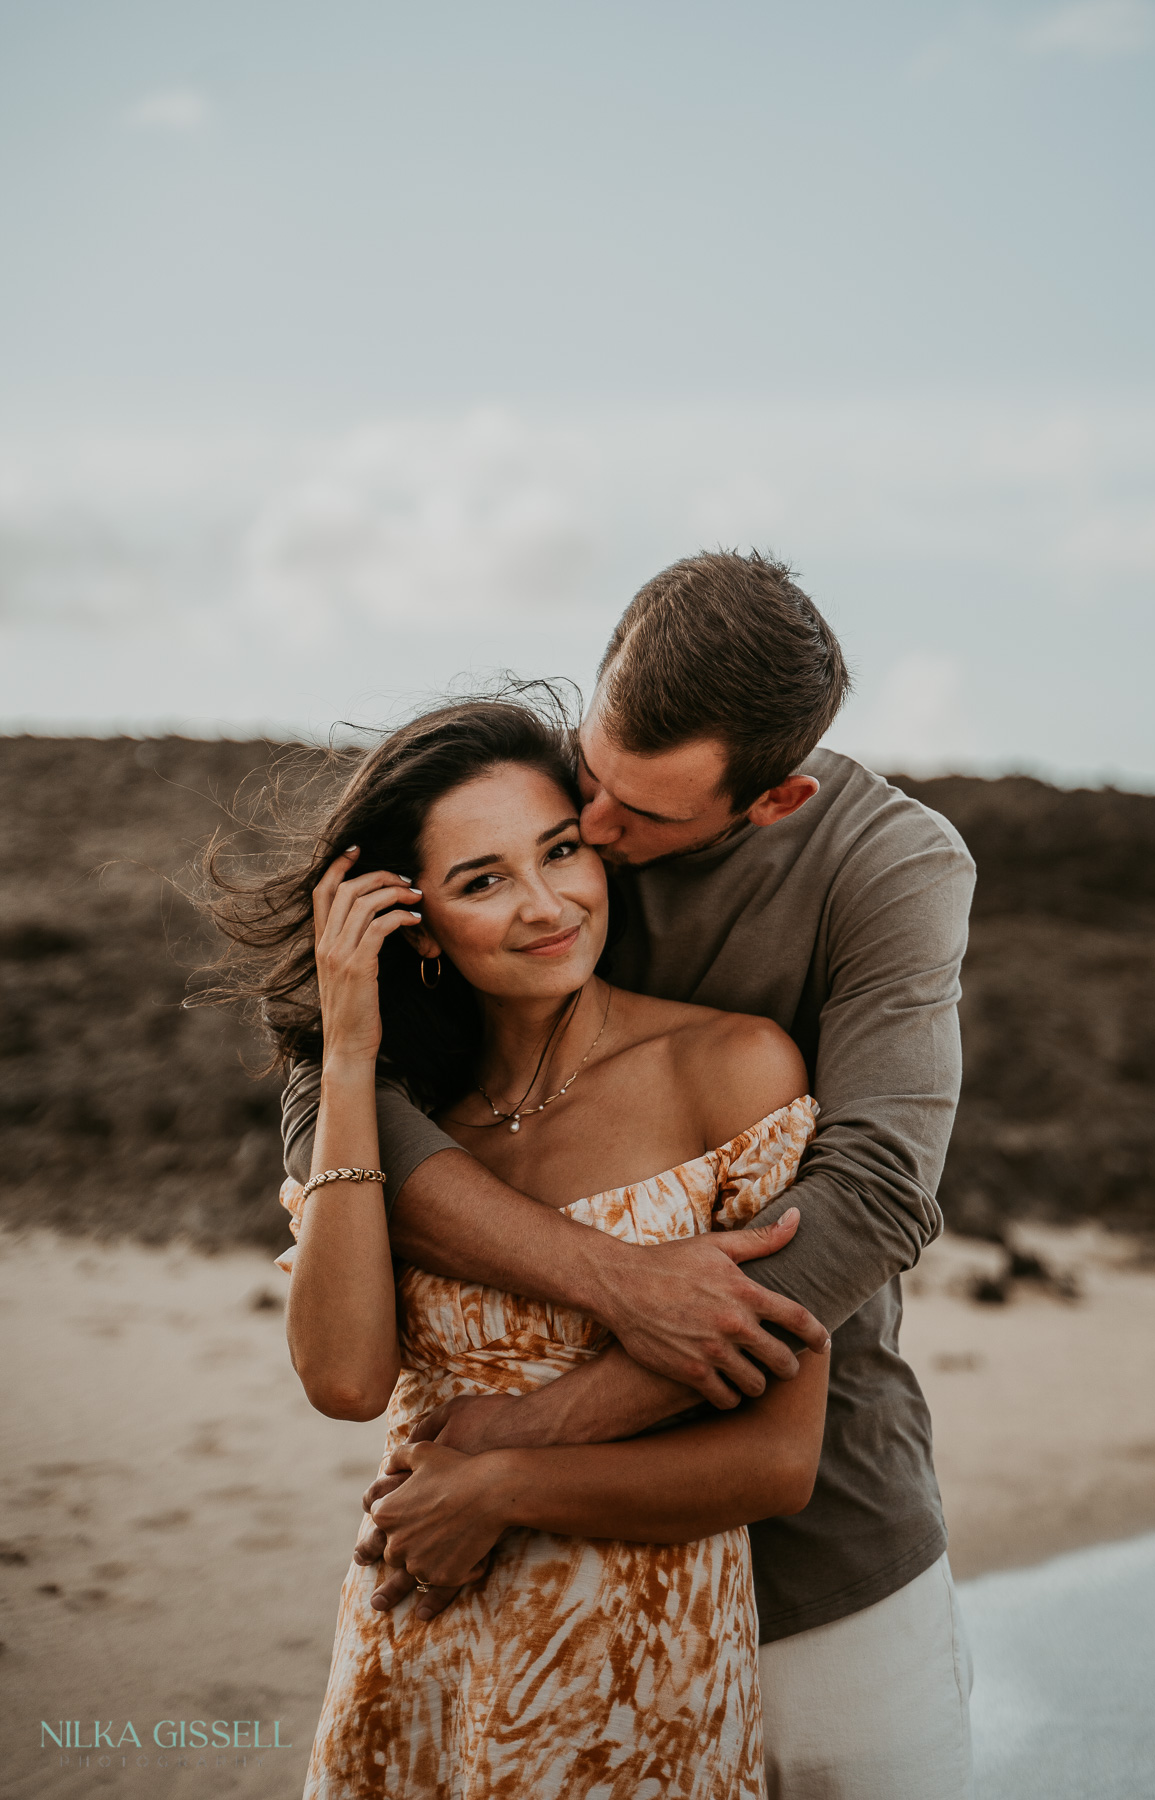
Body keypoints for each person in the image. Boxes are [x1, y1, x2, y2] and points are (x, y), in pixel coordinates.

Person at [283, 551, 978, 1800]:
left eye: (630, 822)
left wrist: (524, 1441)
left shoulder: (887, 868)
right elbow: (334, 1091)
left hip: (817, 1560)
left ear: (772, 803)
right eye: (589, 776)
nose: (587, 836)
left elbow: (873, 1194)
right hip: (481, 1587)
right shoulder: (538, 795)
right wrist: (620, 1279)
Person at [214, 692, 833, 1798]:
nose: (549, 906)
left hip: (643, 1690)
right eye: (483, 879)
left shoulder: (730, 1071)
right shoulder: (408, 1122)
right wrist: (349, 1055)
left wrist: (501, 1487)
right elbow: (347, 1381)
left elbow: (775, 1465)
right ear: (417, 922)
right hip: (415, 1668)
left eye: (560, 852)